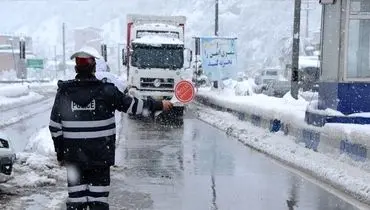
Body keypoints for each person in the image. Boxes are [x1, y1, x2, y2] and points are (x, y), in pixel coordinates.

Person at [48, 46, 173, 210]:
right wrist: (159, 104)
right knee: (98, 201)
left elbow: (54, 127)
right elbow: (134, 106)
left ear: (76, 68)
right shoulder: (107, 92)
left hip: (74, 159)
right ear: (94, 67)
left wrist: (61, 153)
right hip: (100, 157)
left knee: (76, 201)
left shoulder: (64, 93)